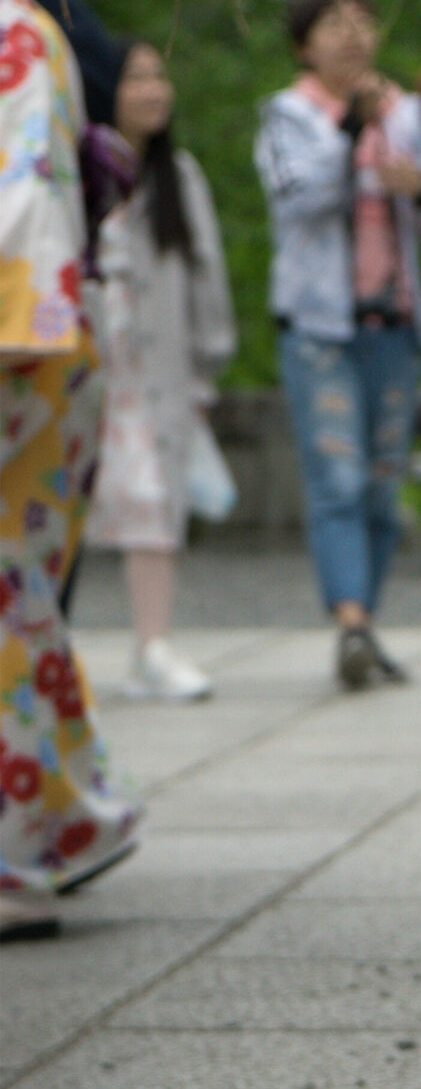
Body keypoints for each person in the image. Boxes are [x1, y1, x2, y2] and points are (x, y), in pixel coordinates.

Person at [0, 0, 141, 939]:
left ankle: (28, 845)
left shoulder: (18, 32)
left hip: (21, 339)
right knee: (17, 594)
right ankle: (65, 822)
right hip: (40, 336)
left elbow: (24, 215)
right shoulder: (34, 25)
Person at [256, 0, 421, 690]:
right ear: (303, 45)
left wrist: (420, 189)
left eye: (363, 23)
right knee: (337, 481)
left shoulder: (405, 114)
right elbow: (296, 197)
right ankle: (351, 624)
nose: (352, 37)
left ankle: (362, 628)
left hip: (394, 328)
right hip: (320, 330)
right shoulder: (287, 116)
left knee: (380, 488)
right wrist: (351, 130)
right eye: (334, 25)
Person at [85, 42, 236, 701]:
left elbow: (208, 280)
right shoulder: (80, 168)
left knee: (153, 507)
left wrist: (206, 369)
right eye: (136, 78)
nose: (153, 90)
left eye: (158, 76)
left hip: (157, 372)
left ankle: (153, 645)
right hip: (93, 367)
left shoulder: (180, 176)